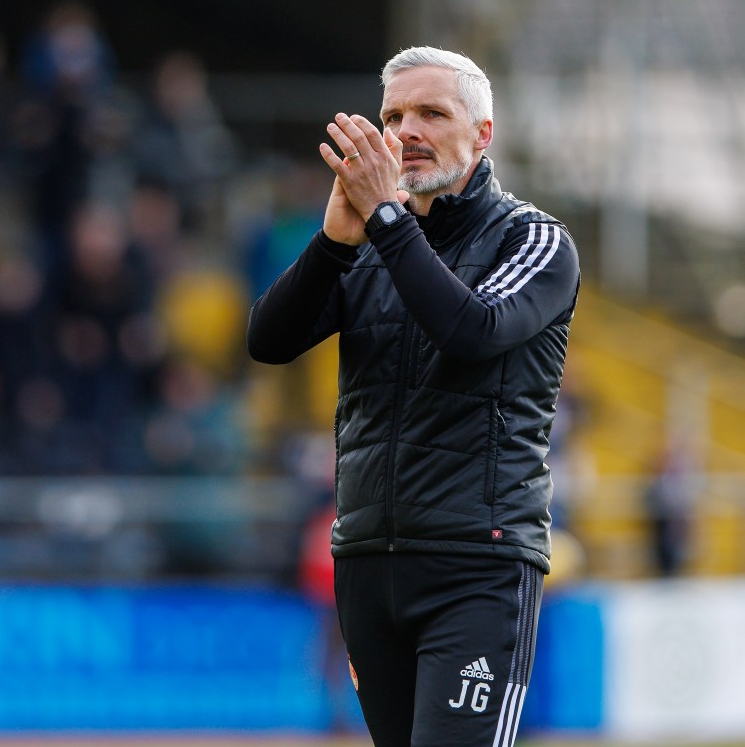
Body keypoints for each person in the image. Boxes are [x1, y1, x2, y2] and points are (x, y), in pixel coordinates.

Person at [248, 46, 580, 747]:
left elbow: (469, 329)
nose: (404, 131)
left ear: (483, 133)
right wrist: (337, 238)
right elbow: (267, 340)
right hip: (368, 563)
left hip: (476, 567)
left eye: (431, 112)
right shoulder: (368, 245)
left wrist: (386, 222)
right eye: (391, 116)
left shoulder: (534, 238)